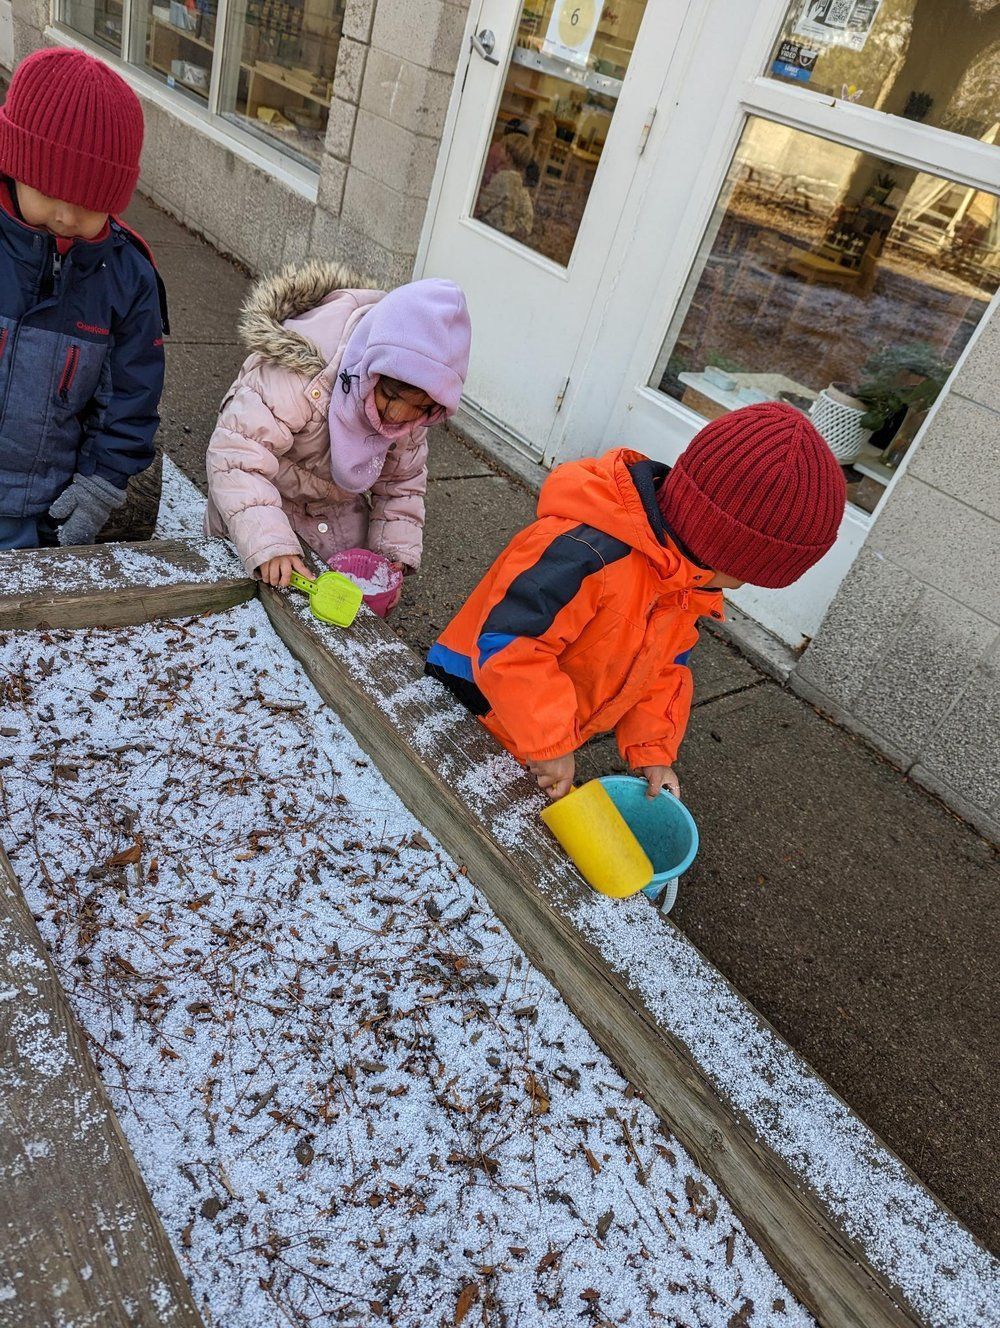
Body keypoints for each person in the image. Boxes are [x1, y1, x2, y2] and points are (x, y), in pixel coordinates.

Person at [426, 404, 845, 801]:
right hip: (470, 702)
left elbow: (662, 669)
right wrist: (549, 738)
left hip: (531, 733)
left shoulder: (685, 585)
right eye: (749, 573)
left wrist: (652, 750)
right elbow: (510, 642)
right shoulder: (587, 554)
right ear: (718, 542)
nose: (742, 586)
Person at [205, 264, 471, 594]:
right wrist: (268, 540)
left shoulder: (412, 415)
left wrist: (393, 552)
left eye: (420, 409)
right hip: (263, 504)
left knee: (337, 611)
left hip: (334, 512)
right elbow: (236, 458)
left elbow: (402, 483)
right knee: (251, 604)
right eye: (389, 397)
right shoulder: (299, 377)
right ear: (370, 368)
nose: (397, 417)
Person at [0, 48, 167, 550]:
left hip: (36, 510)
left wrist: (100, 485)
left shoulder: (127, 278)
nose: (68, 215)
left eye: (90, 202)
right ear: (14, 164)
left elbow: (130, 399)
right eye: (50, 190)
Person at [476, 134, 535, 242]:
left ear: (508, 156)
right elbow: (527, 222)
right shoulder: (520, 185)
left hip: (490, 229)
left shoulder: (502, 178)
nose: (499, 150)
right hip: (508, 235)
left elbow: (483, 203)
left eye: (502, 148)